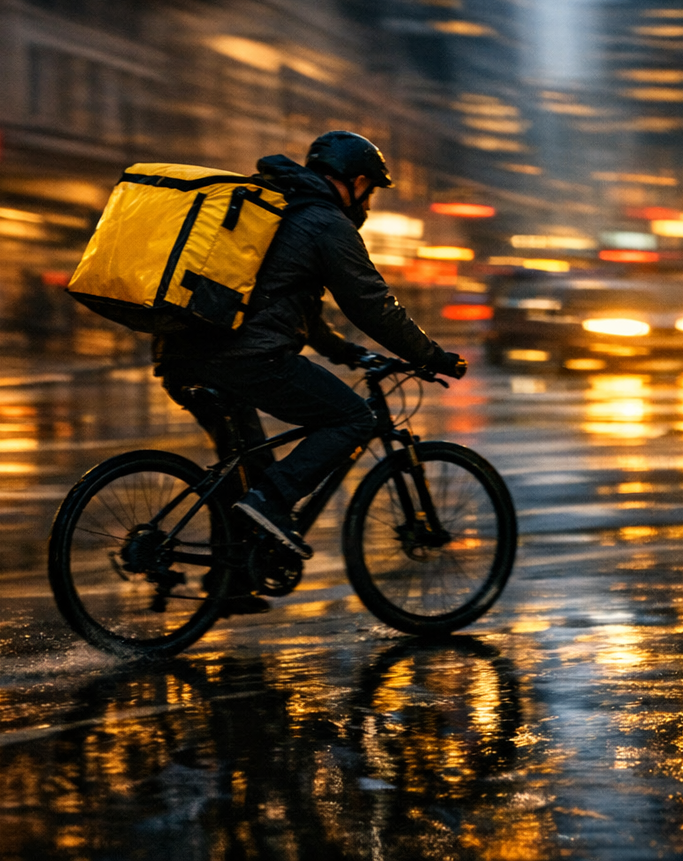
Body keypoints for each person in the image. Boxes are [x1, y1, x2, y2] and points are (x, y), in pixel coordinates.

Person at [152, 131, 466, 568]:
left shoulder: (277, 205)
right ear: (356, 182)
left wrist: (345, 353)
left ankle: (234, 579)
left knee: (247, 472)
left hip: (184, 354)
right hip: (245, 359)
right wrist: (430, 355)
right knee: (354, 418)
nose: (368, 204)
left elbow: (293, 308)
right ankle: (272, 503)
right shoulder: (324, 222)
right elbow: (371, 304)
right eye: (370, 191)